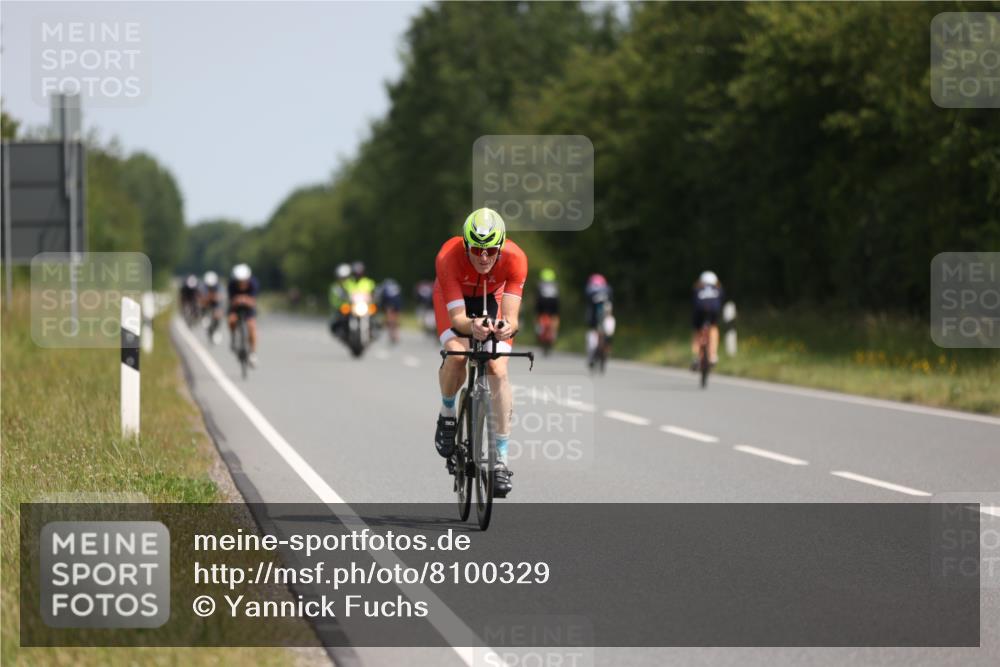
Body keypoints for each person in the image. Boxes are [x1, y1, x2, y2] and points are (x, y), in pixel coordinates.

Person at [433, 207, 527, 497]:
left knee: (498, 368)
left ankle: (499, 460)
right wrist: (472, 326)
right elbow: (458, 320)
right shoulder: (448, 257)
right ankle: (448, 412)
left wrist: (504, 329)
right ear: (465, 244)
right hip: (456, 300)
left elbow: (512, 319)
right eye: (476, 249)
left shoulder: (515, 259)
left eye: (490, 250)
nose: (483, 257)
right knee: (458, 354)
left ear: (500, 247)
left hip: (492, 297)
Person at [227, 263, 259, 367]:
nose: (242, 283)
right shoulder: (231, 284)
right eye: (239, 281)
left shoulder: (253, 283)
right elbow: (231, 301)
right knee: (231, 320)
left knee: (252, 326)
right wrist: (238, 301)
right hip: (235, 307)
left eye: (244, 281)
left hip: (249, 308)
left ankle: (253, 353)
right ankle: (233, 338)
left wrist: (244, 300)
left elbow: (253, 301)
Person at [691, 270, 723, 368]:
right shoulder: (718, 288)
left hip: (700, 312)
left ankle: (696, 356)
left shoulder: (697, 288)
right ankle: (713, 355)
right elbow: (721, 300)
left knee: (697, 331)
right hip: (714, 312)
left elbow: (694, 302)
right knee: (713, 328)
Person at [584, 273, 614, 368]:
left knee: (592, 334)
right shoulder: (608, 289)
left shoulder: (590, 289)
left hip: (595, 318)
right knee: (608, 333)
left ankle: (591, 355)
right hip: (605, 317)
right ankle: (607, 348)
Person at [534, 267, 560, 352]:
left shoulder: (540, 284)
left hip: (542, 303)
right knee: (555, 316)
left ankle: (538, 330)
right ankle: (554, 333)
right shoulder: (556, 285)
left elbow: (537, 298)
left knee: (538, 316)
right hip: (553, 303)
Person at [376, 278, 403, 344]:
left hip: (389, 304)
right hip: (397, 304)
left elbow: (381, 297)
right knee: (395, 320)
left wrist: (381, 307)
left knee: (390, 320)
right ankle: (396, 335)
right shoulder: (396, 287)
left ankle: (392, 334)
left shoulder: (384, 287)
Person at [329, 263, 351, 338]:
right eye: (342, 277)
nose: (343, 279)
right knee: (340, 318)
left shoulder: (352, 285)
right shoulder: (335, 287)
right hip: (343, 308)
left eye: (345, 277)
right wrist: (341, 305)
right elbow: (334, 301)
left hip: (355, 306)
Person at [200, 270, 223, 344]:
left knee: (218, 315)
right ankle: (204, 317)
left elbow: (220, 297)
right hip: (206, 303)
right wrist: (208, 298)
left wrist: (211, 297)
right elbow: (201, 299)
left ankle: (216, 329)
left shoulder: (219, 286)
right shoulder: (203, 286)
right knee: (203, 306)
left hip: (216, 303)